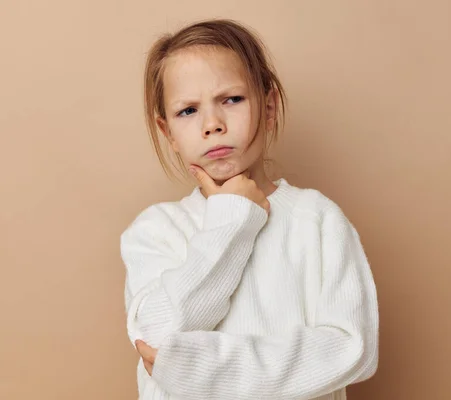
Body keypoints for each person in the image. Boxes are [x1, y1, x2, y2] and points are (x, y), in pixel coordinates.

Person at [120, 19, 379, 400]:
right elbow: (158, 337)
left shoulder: (317, 219)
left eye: (232, 100)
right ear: (168, 132)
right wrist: (231, 218)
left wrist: (204, 369)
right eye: (188, 111)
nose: (212, 124)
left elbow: (351, 349)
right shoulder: (154, 230)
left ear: (269, 106)